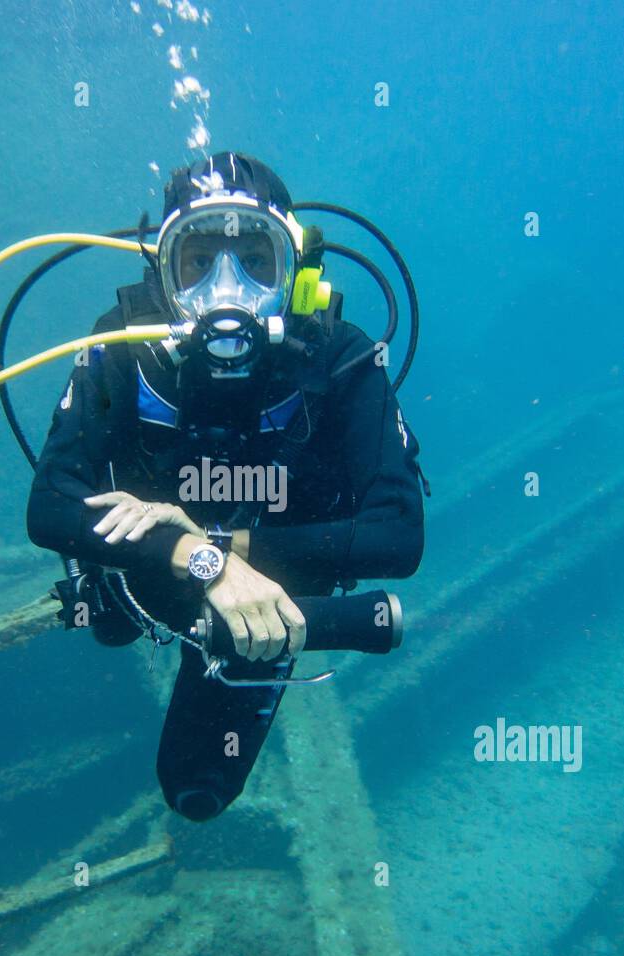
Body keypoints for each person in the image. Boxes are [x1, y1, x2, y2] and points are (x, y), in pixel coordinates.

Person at [26, 152, 425, 822]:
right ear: (164, 277)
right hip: (146, 568)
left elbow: (399, 535)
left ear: (296, 274)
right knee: (109, 626)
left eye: (256, 263)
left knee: (196, 785)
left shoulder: (343, 354)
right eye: (199, 262)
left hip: (277, 580)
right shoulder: (124, 346)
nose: (226, 289)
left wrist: (214, 544)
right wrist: (196, 559)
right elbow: (50, 504)